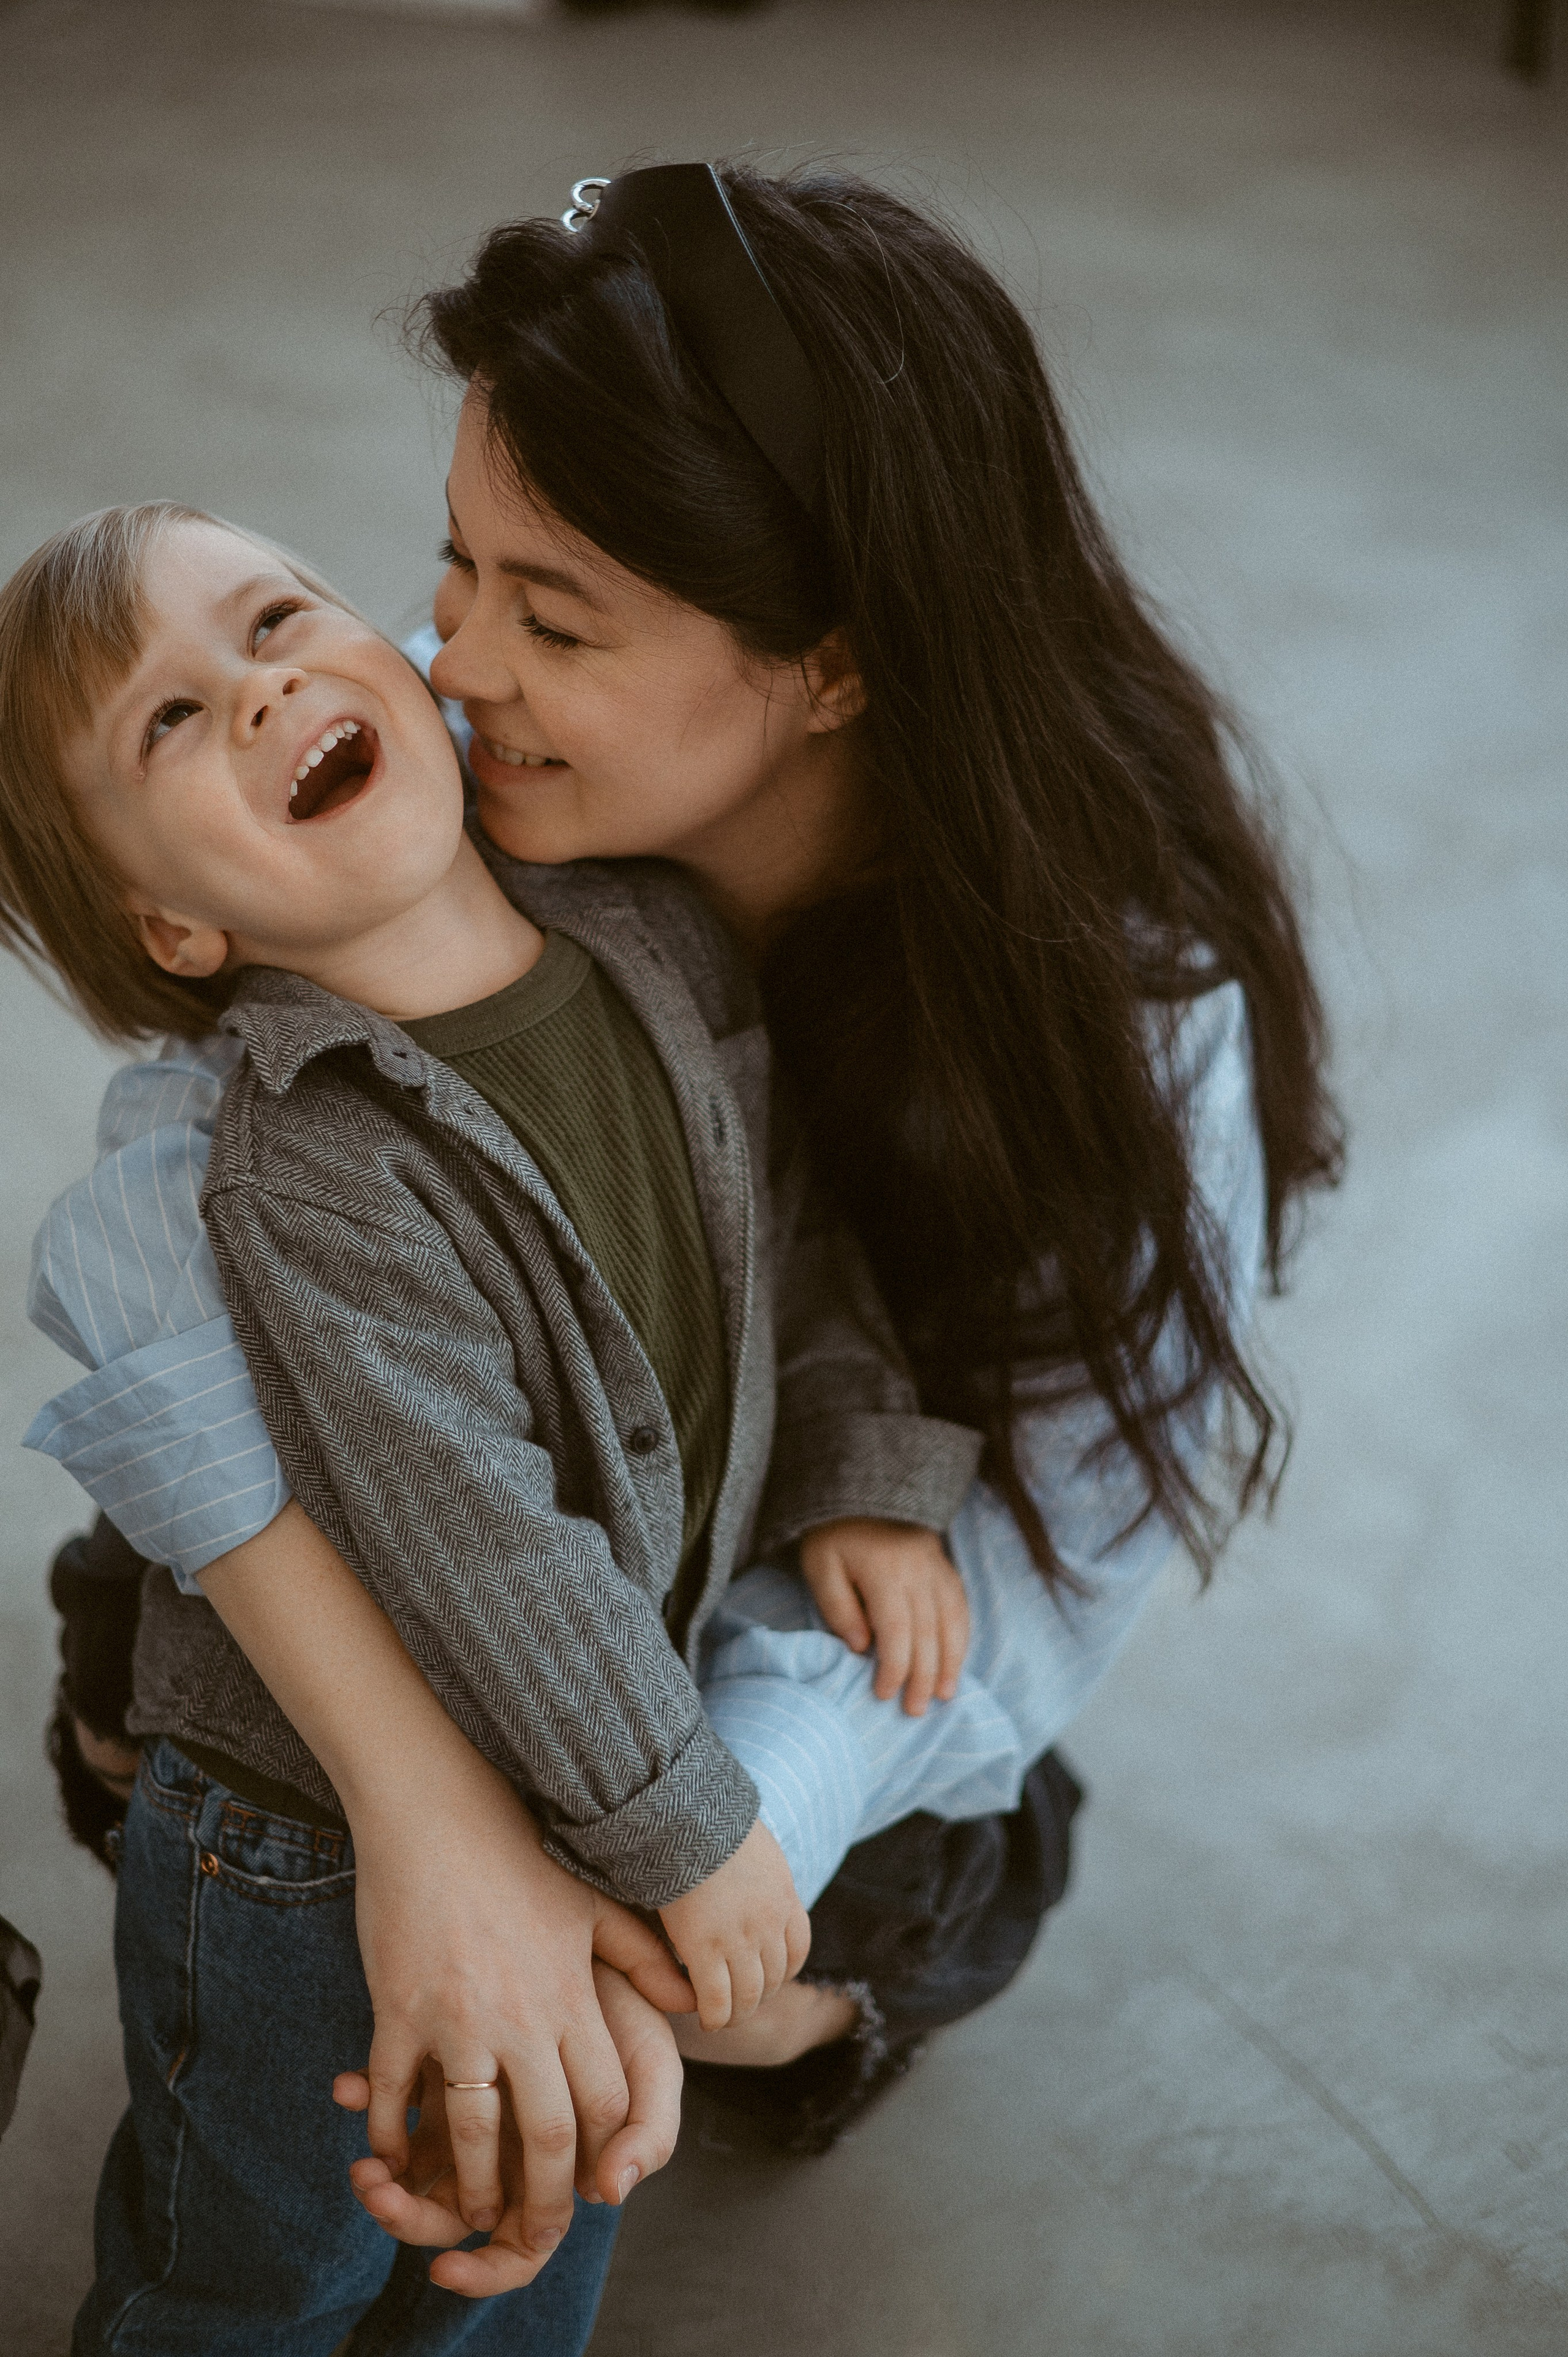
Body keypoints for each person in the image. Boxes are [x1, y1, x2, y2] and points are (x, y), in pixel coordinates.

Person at [21, 157, 1338, 2335]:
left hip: (742, 1583)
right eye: (456, 565)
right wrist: (451, 1820)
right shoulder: (449, 809)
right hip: (513, 1574)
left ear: (828, 669)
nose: (451, 659)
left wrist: (673, 1866)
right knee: (175, 1739)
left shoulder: (1109, 1003)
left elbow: (1023, 1559)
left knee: (860, 1904)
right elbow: (187, 1181)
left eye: (558, 615)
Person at [1, 499, 1019, 2350]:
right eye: (167, 722)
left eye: (278, 615)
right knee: (264, 2265)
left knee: (523, 2243)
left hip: (580, 1768)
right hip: (303, 1842)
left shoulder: (655, 937)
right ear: (174, 920)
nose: (260, 689)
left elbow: (784, 1234)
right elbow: (481, 1539)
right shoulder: (305, 1168)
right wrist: (689, 1828)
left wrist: (867, 1465)